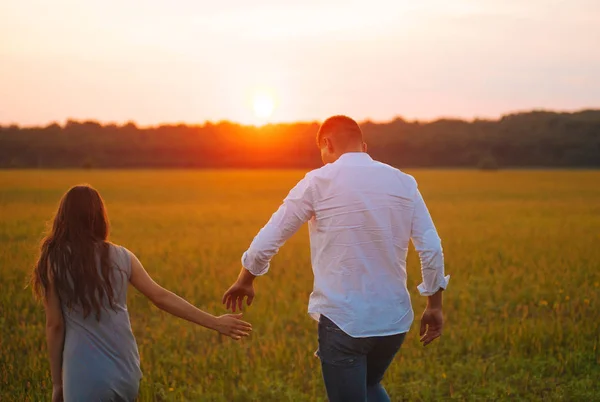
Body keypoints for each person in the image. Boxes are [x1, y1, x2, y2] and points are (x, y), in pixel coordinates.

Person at [223, 115, 449, 402]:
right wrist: (434, 305)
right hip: (394, 320)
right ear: (363, 147)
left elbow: (272, 234)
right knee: (369, 385)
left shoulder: (318, 181)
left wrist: (246, 279)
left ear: (327, 143)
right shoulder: (404, 182)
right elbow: (430, 247)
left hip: (343, 321)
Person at [32, 185, 252, 402]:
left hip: (83, 374)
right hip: (125, 373)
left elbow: (55, 325)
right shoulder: (122, 257)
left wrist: (57, 384)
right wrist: (215, 322)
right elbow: (161, 297)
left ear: (64, 217)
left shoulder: (55, 260)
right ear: (99, 217)